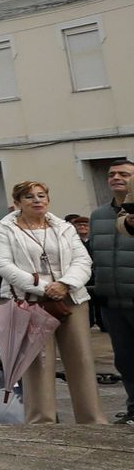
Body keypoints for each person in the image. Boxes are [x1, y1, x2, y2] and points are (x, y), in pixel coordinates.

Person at [0, 181, 100, 425]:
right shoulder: (3, 229)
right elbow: (3, 265)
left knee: (80, 359)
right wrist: (43, 288)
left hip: (70, 298)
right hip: (28, 301)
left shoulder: (63, 227)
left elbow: (82, 260)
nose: (37, 200)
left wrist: (65, 284)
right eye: (29, 197)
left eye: (41, 196)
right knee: (37, 363)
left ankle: (92, 421)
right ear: (17, 203)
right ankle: (42, 423)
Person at [88, 160, 134, 424]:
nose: (116, 177)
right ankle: (133, 408)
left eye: (124, 174)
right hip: (112, 301)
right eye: (112, 174)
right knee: (126, 361)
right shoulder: (98, 216)